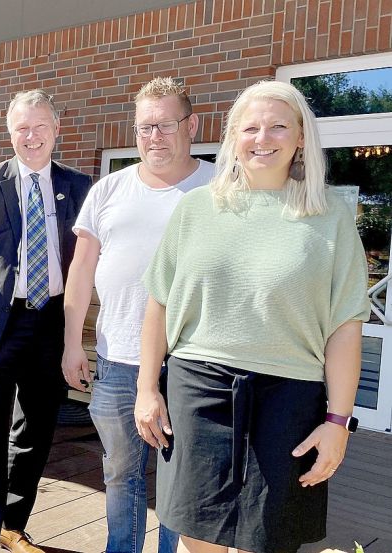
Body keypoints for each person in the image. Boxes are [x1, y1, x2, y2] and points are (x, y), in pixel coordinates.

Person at [136, 80, 369, 553]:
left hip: (290, 394)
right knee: (196, 535)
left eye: (279, 126)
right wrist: (146, 388)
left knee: (267, 538)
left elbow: (346, 324)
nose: (263, 138)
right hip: (198, 385)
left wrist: (337, 421)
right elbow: (158, 301)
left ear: (301, 137)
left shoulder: (331, 216)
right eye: (251, 128)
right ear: (233, 138)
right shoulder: (196, 208)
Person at [62, 76, 214, 553]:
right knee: (120, 472)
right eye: (145, 127)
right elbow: (81, 269)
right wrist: (71, 343)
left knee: (179, 478)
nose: (154, 137)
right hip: (118, 358)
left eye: (165, 125)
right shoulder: (109, 190)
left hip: (191, 363)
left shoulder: (220, 186)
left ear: (191, 125)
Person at [0, 89, 92, 552]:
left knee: (35, 429)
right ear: (9, 133)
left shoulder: (78, 185)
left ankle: (12, 525)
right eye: (21, 128)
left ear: (57, 130)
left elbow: (87, 261)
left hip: (53, 323)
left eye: (39, 127)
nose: (30, 136)